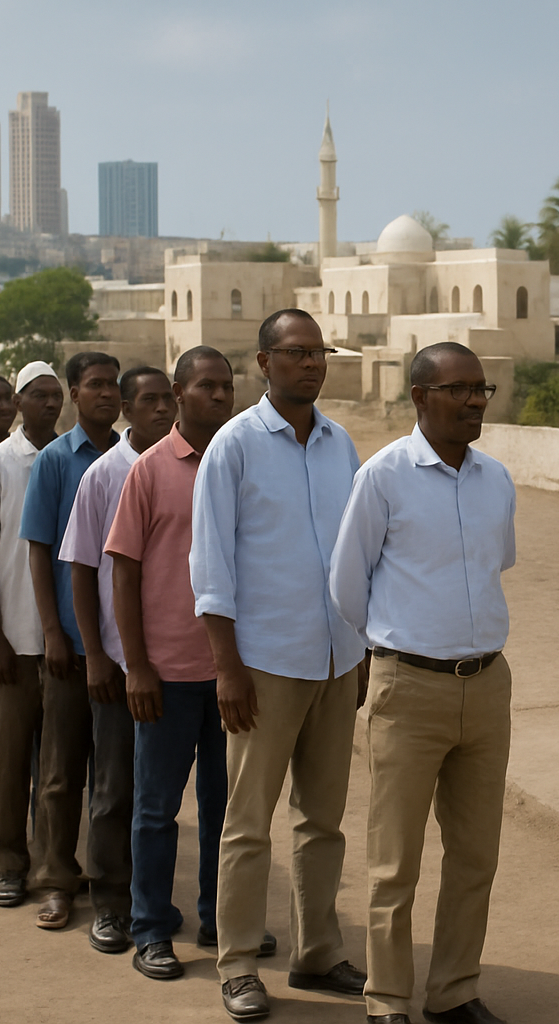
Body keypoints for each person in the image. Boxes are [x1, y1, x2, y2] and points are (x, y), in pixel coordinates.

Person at [330, 342, 516, 1024]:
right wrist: (397, 646)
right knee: (393, 862)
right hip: (407, 690)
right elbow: (348, 587)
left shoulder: (496, 479)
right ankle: (387, 1000)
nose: (474, 401)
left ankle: (455, 991)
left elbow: (501, 565)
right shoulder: (383, 477)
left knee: (475, 857)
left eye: (481, 388)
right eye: (458, 389)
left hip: (487, 689)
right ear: (419, 397)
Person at [191, 309, 368, 1021]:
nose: (311, 364)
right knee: (247, 823)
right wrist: (227, 669)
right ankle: (237, 963)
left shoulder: (339, 444)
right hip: (263, 667)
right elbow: (211, 568)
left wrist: (359, 653)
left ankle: (318, 952)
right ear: (264, 363)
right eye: (295, 353)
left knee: (323, 821)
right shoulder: (233, 448)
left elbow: (360, 554)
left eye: (319, 352)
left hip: (335, 661)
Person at [108, 348, 238, 980]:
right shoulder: (151, 471)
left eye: (227, 386)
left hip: (233, 673)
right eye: (205, 386)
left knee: (225, 807)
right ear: (180, 392)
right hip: (166, 674)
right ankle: (152, 929)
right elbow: (123, 571)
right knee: (157, 809)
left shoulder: (243, 462)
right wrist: (136, 665)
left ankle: (217, 920)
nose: (218, 397)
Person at [56, 363, 175, 955]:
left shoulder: (195, 466)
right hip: (123, 663)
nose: (161, 410)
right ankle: (110, 902)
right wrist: (97, 656)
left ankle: (161, 901)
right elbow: (82, 568)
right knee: (115, 785)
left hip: (182, 663)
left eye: (166, 399)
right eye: (148, 401)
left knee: (169, 794)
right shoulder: (104, 475)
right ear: (126, 409)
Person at [19, 351, 123, 930]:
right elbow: (39, 548)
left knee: (113, 775)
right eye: (94, 386)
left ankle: (112, 882)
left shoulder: (138, 458)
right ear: (75, 395)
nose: (105, 395)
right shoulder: (56, 462)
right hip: (70, 644)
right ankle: (56, 879)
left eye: (112, 385)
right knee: (59, 771)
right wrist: (52, 631)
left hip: (122, 646)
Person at [0, 361, 65, 911]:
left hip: (63, 645)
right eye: (39, 396)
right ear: (19, 402)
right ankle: (7, 861)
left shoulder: (75, 461)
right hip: (13, 642)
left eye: (56, 396)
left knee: (57, 767)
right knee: (6, 760)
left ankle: (53, 867)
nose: (50, 405)